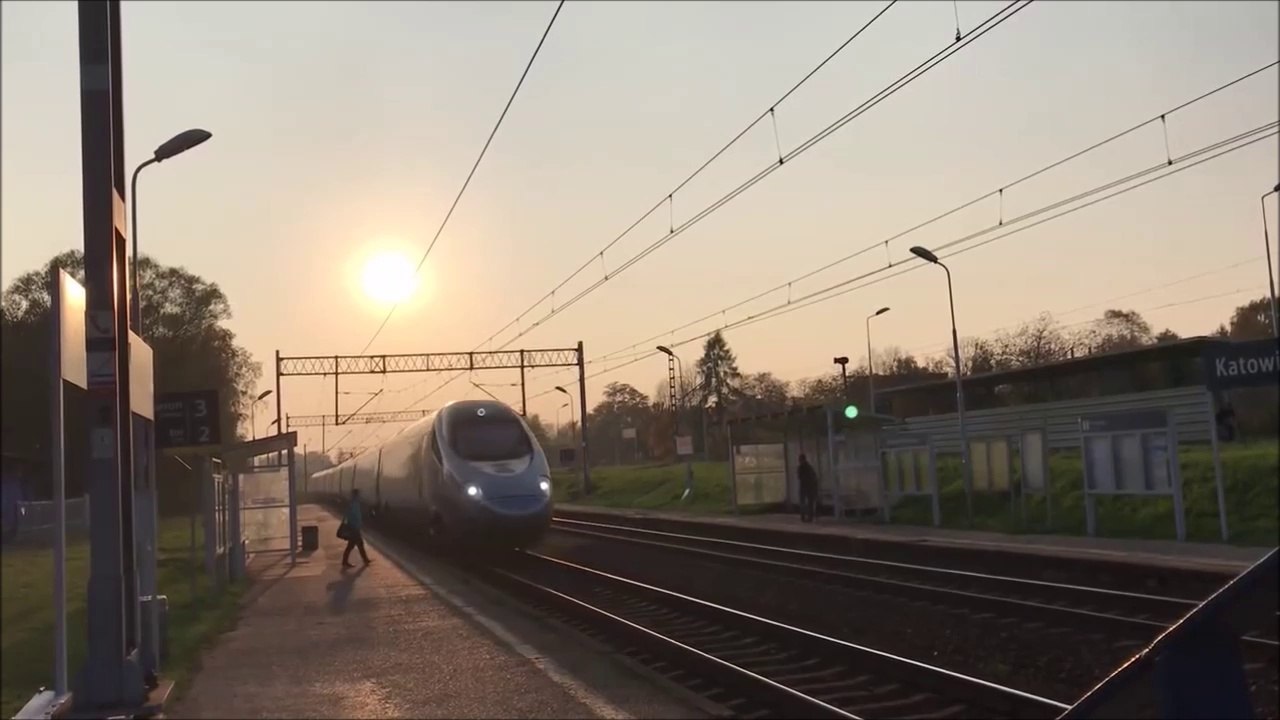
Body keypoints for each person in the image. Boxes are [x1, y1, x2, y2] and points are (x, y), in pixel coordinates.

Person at [341, 489, 372, 568]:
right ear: (356, 495)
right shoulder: (354, 503)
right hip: (354, 527)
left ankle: (365, 559)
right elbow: (354, 515)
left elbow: (351, 515)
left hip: (354, 527)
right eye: (358, 494)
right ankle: (345, 562)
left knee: (358, 544)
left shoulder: (353, 503)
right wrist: (356, 525)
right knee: (353, 545)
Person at [797, 454, 818, 523]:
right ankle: (809, 517)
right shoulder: (809, 467)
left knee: (804, 502)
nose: (799, 461)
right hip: (809, 487)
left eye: (800, 460)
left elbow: (799, 477)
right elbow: (814, 476)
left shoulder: (801, 468)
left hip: (804, 487)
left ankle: (804, 517)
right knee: (809, 502)